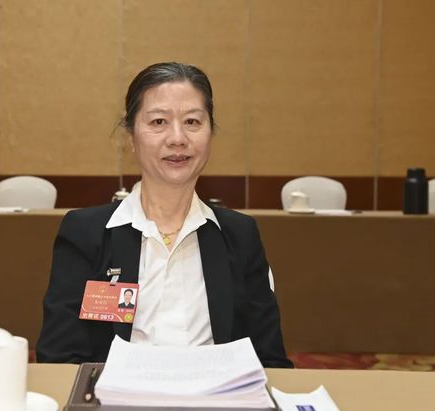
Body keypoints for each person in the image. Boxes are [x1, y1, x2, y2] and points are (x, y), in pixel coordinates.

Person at [36, 62, 293, 368]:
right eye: (159, 121)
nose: (177, 138)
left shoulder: (240, 235)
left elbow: (269, 360)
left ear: (210, 132)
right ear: (131, 136)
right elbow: (59, 357)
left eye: (192, 122)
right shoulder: (87, 233)